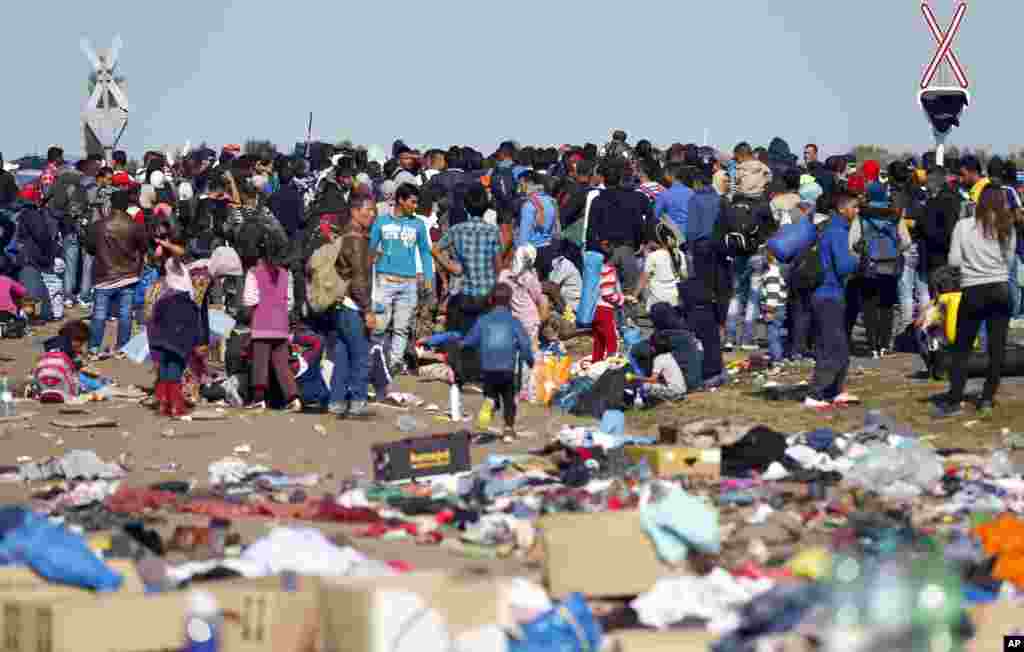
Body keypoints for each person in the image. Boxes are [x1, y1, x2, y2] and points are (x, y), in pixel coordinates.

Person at [933, 186, 1017, 419]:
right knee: (997, 347)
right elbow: (1009, 260)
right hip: (1000, 288)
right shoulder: (1007, 226)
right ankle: (988, 397)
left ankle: (955, 396)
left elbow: (954, 260)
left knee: (962, 347)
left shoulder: (964, 226)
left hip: (973, 289)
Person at [805, 193, 861, 409]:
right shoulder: (837, 232)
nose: (856, 212)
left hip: (825, 294)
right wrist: (857, 259)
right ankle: (815, 394)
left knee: (837, 345)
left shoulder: (829, 229)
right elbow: (844, 266)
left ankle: (835, 390)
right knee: (833, 346)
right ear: (841, 209)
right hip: (829, 294)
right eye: (854, 208)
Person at [369, 183, 434, 374]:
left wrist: (428, 275)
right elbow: (370, 249)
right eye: (412, 202)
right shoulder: (381, 221)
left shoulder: (418, 224)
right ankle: (376, 361)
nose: (415, 206)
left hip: (409, 282)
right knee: (379, 326)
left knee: (402, 327)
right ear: (400, 200)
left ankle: (395, 363)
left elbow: (425, 252)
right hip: (384, 280)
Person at [461, 283, 535, 439]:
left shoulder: (483, 320)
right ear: (510, 301)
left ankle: (490, 402)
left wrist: (463, 349)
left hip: (487, 368)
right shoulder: (514, 321)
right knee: (509, 399)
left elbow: (469, 341)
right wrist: (529, 359)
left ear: (490, 300)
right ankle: (508, 429)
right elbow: (525, 344)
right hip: (507, 368)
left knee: (491, 392)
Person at [849, 182, 911, 358]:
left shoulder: (861, 216)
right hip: (890, 266)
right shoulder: (895, 215)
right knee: (887, 306)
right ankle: (884, 344)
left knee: (869, 306)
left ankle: (872, 346)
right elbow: (906, 241)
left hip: (869, 266)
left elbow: (853, 242)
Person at [328, 193, 376, 419]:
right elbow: (358, 279)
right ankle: (357, 401)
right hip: (354, 306)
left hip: (342, 306)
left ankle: (336, 401)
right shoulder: (355, 239)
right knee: (360, 356)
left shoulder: (346, 236)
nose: (373, 214)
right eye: (369, 210)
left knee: (343, 356)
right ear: (356, 211)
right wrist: (367, 310)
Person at [85, 188, 148, 356]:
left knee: (99, 313)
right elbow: (143, 248)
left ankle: (94, 347)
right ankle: (122, 348)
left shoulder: (99, 226)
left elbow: (90, 248)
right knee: (125, 314)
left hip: (103, 274)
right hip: (128, 275)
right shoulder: (135, 226)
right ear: (127, 206)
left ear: (111, 204)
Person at [242, 233, 301, 411]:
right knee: (282, 364)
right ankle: (293, 398)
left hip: (261, 324)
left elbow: (250, 299)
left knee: (260, 362)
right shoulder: (286, 274)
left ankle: (259, 399)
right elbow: (289, 301)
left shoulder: (253, 273)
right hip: (281, 325)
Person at [433, 184, 501, 335]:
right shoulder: (492, 231)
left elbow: (435, 249)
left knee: (466, 333)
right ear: (486, 207)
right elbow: (498, 266)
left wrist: (451, 266)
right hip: (487, 293)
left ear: (465, 207)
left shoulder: (456, 229)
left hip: (465, 293)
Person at [586, 161, 649, 297]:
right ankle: (628, 317)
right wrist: (639, 242)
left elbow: (591, 229)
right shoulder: (632, 198)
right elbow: (638, 224)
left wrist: (592, 250)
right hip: (627, 247)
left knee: (605, 290)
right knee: (629, 291)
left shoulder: (598, 200)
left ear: (603, 179)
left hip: (605, 249)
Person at [498, 246, 548, 400]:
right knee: (529, 355)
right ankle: (527, 389)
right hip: (530, 320)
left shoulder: (505, 275)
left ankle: (513, 387)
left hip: (513, 321)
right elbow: (538, 298)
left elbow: (500, 291)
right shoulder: (529, 278)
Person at [633, 222, 684, 312]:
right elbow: (684, 276)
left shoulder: (653, 256)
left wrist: (634, 296)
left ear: (657, 240)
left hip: (657, 303)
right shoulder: (680, 254)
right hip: (675, 301)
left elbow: (643, 280)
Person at [516, 173, 558, 278]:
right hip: (548, 249)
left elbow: (524, 237)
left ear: (530, 184)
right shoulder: (551, 201)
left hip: (532, 252)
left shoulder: (528, 205)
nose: (520, 188)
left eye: (522, 184)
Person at [592, 240, 625, 363]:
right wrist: (621, 299)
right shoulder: (608, 270)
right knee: (611, 340)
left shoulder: (593, 270)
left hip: (594, 309)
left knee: (598, 340)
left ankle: (596, 363)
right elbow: (607, 294)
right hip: (605, 309)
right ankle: (611, 367)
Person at [655, 162, 694, 239]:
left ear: (669, 175)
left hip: (676, 236)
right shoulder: (692, 192)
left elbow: (656, 215)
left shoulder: (664, 194)